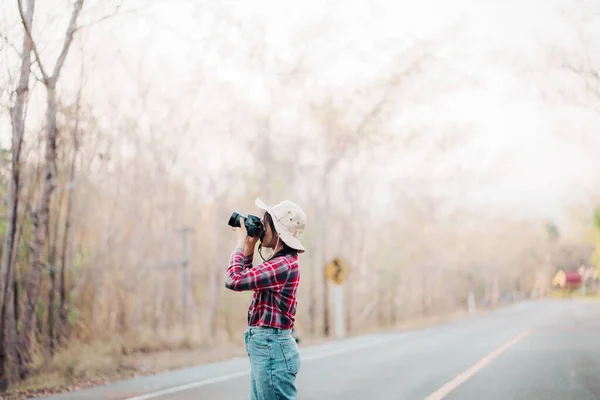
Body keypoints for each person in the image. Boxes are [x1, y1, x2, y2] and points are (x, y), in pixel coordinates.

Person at [225, 197, 306, 400]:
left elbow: (234, 280)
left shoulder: (284, 265)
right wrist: (249, 248)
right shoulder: (281, 262)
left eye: (265, 221)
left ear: (278, 231)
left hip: (272, 347)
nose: (261, 225)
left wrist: (238, 244)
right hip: (267, 346)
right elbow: (249, 279)